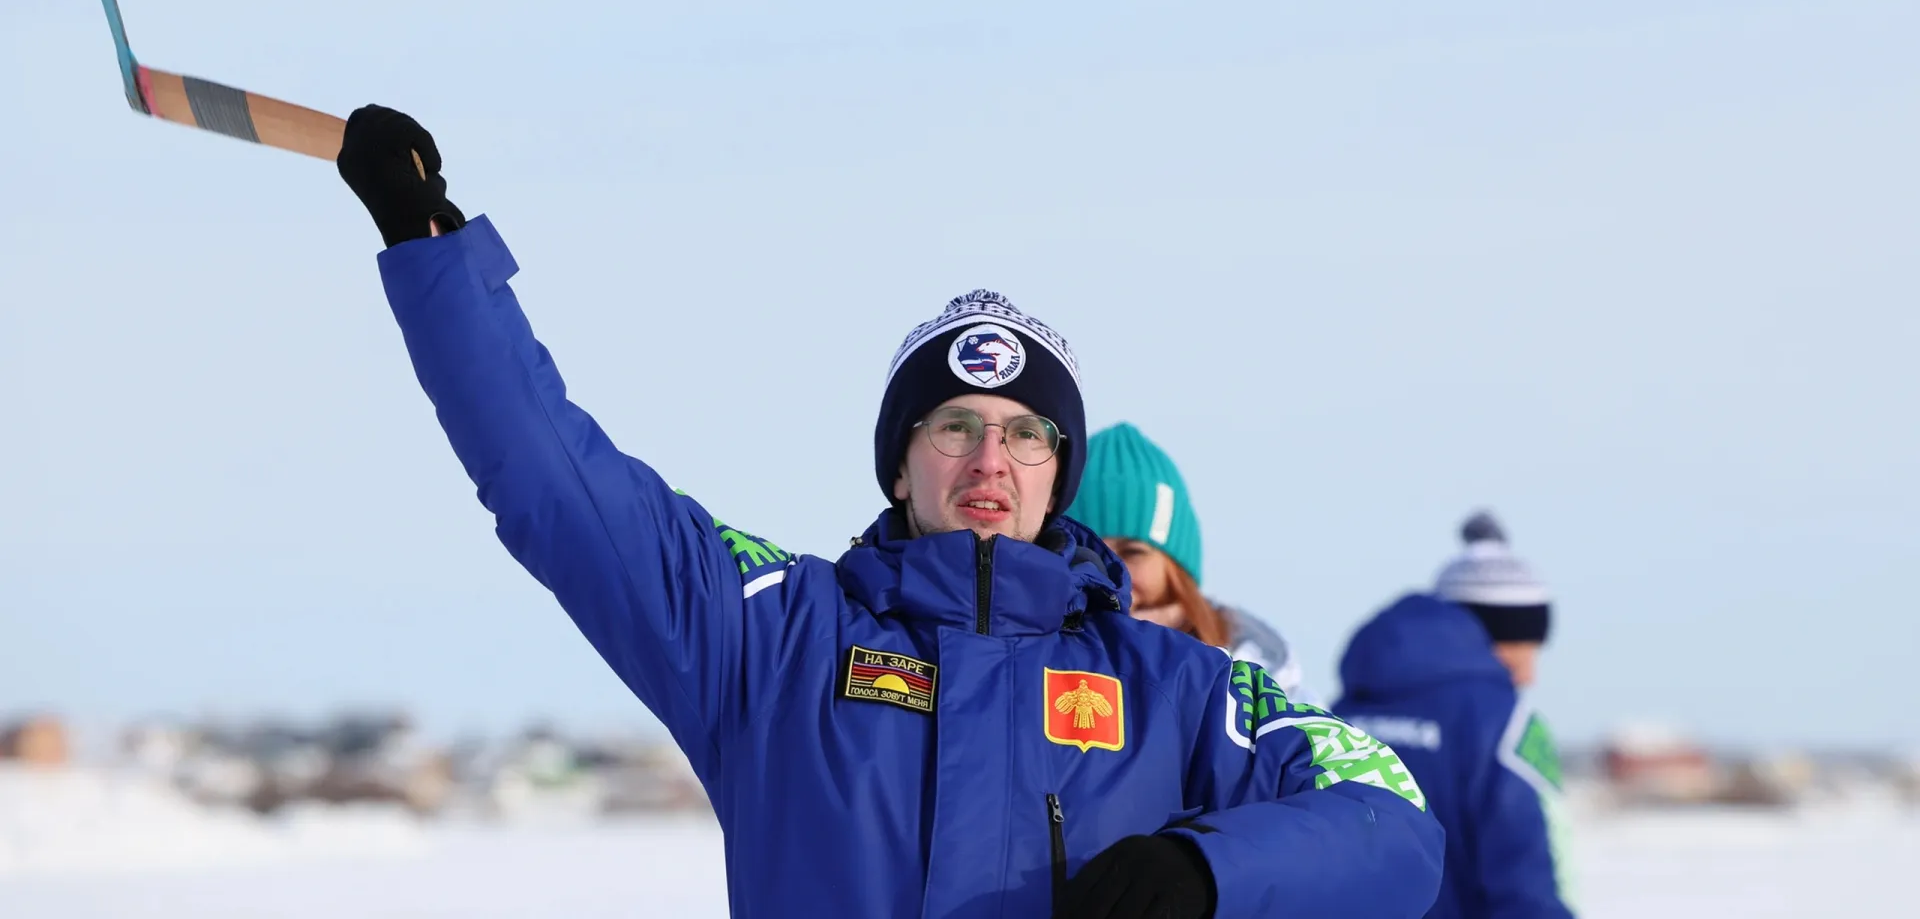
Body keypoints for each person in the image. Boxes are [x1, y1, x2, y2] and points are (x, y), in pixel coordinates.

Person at [334, 105, 1444, 919]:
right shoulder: (773, 636)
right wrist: (438, 267)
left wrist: (1207, 870)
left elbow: (1391, 819)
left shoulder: (1182, 687)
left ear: (1060, 475)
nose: (988, 461)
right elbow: (556, 485)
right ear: (899, 465)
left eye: (1025, 434)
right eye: (951, 426)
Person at [1333, 511, 1576, 919]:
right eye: (1521, 653)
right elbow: (1524, 880)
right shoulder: (1504, 724)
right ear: (1478, 635)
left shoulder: (1342, 714)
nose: (1529, 674)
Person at [1064, 422, 1317, 704]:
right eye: (1089, 552)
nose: (1111, 571)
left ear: (1174, 566)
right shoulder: (1035, 663)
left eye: (1133, 551)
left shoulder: (1268, 686)